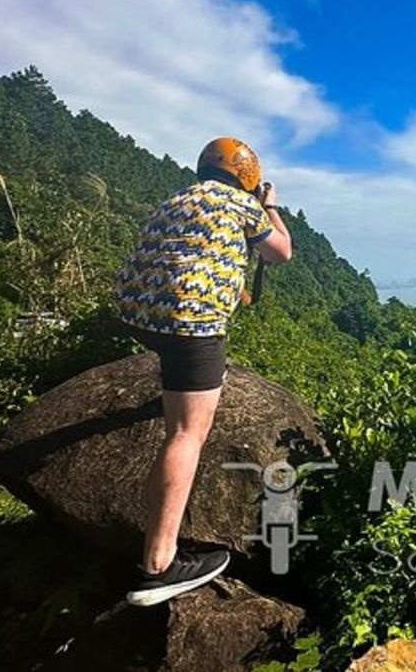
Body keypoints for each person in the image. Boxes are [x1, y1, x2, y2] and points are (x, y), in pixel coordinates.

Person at [113, 136, 293, 606]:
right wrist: (270, 208)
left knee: (184, 376)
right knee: (187, 434)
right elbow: (280, 253)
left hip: (138, 317)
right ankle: (158, 566)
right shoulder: (242, 204)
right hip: (189, 325)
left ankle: (183, 386)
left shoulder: (177, 197)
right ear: (248, 175)